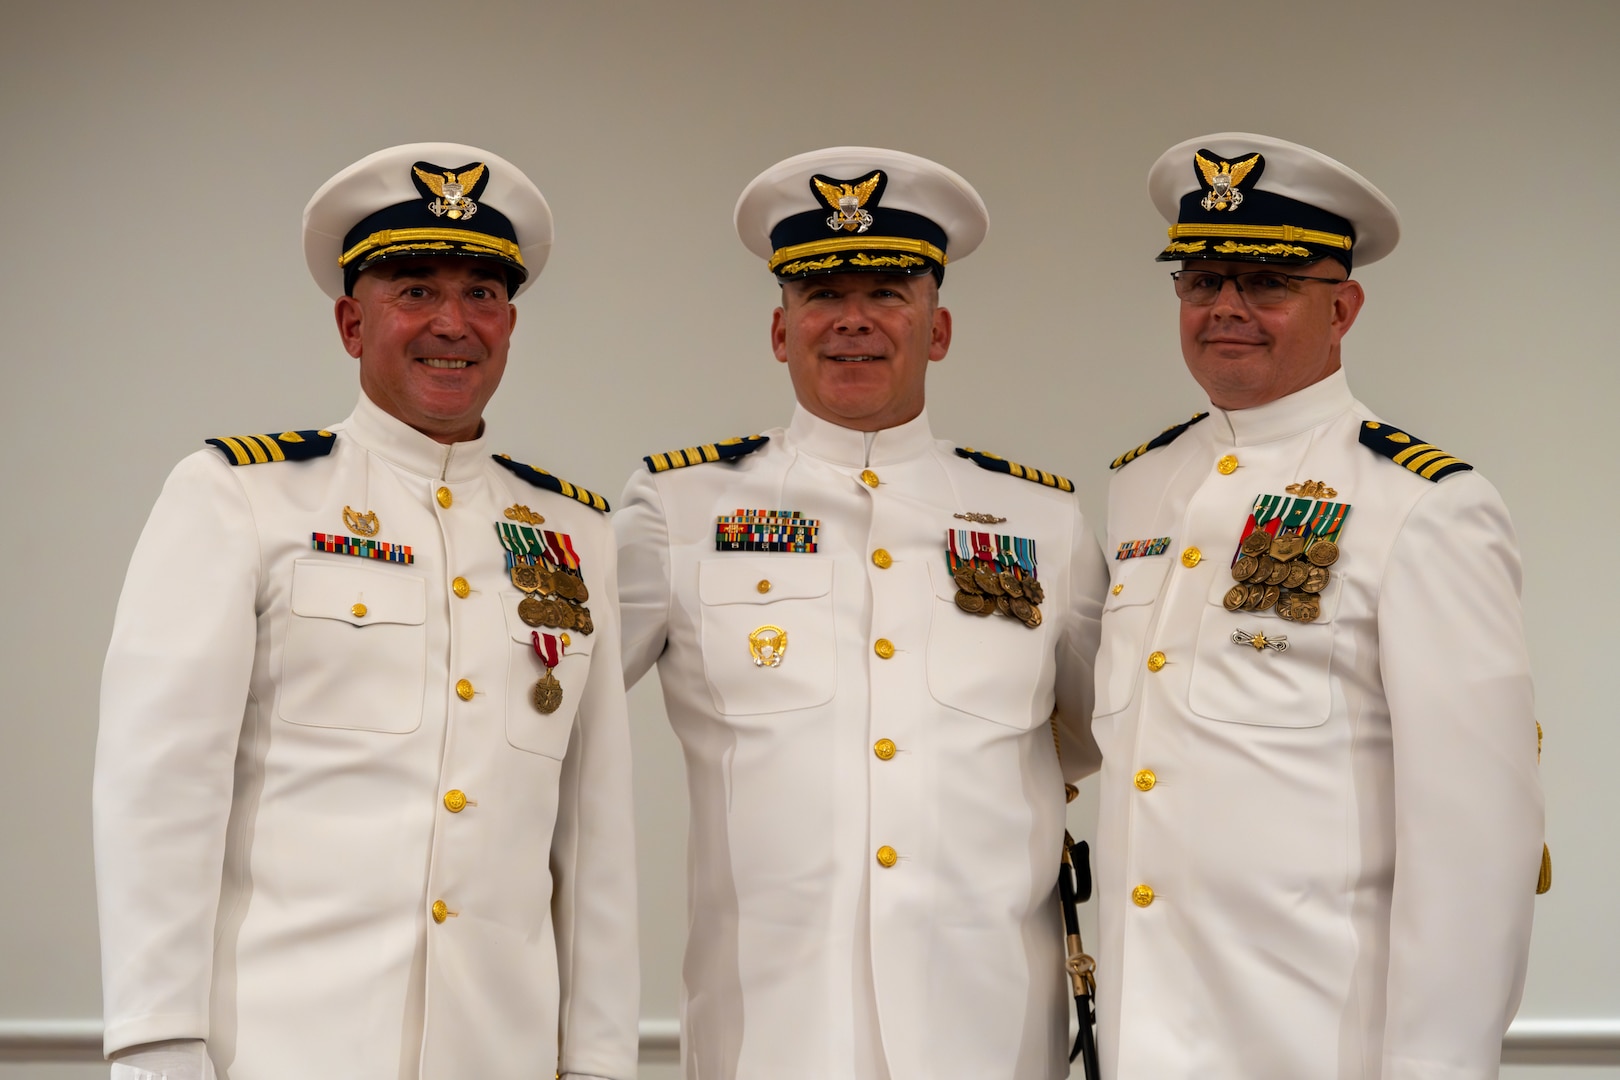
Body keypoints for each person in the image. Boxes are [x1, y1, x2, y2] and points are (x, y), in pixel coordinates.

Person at [93, 143, 638, 1080]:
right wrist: (155, 1040)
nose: (452, 323)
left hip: (496, 1051)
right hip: (281, 1045)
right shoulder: (243, 498)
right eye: (415, 290)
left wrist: (595, 1059)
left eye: (482, 294)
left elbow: (594, 834)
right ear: (352, 323)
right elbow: (161, 786)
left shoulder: (571, 531)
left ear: (510, 322)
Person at [615, 146, 1109, 1080]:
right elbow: (562, 709)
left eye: (887, 292)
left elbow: (1080, 733)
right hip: (771, 1027)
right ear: (779, 328)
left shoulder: (1042, 522)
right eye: (821, 294)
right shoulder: (679, 508)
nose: (852, 320)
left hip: (989, 1024)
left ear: (940, 328)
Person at [1091, 132, 1546, 1079]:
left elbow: (1476, 844)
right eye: (1202, 278)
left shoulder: (1422, 504)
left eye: (1266, 281)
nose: (1226, 308)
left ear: (1342, 307)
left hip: (1314, 1046)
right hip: (1146, 1041)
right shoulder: (1141, 486)